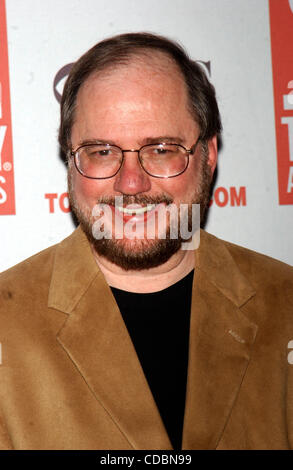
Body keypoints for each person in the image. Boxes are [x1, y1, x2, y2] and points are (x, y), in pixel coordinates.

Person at [0, 32, 292, 451]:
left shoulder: (286, 306)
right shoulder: (5, 326)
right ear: (69, 159)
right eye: (101, 151)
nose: (131, 183)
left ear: (209, 155)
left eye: (160, 149)